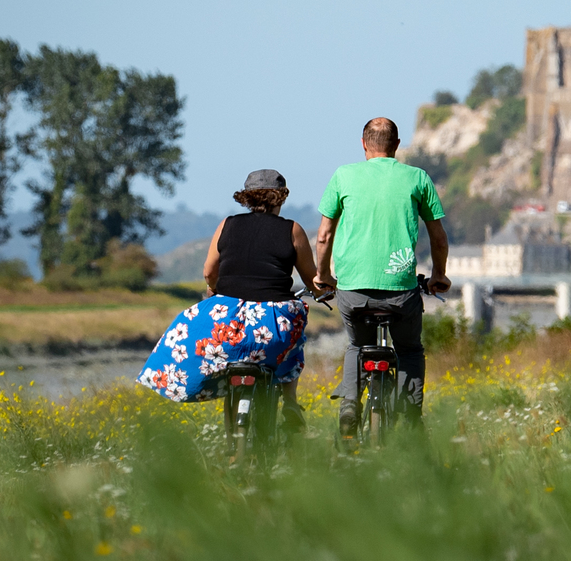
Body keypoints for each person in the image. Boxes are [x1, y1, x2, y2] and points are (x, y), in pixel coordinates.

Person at [137, 169, 322, 431]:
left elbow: (209, 272)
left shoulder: (227, 225)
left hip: (224, 326)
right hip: (272, 325)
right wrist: (327, 287)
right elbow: (312, 278)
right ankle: (290, 401)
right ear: (281, 198)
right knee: (294, 339)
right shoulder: (293, 230)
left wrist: (215, 291)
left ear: (246, 198)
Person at [313, 117, 451, 432]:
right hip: (401, 291)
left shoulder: (343, 176)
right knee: (410, 349)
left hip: (353, 290)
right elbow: (439, 238)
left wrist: (323, 275)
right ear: (397, 146)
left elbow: (323, 236)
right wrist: (438, 275)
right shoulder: (417, 177)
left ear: (363, 144)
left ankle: (349, 407)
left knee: (357, 347)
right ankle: (410, 424)